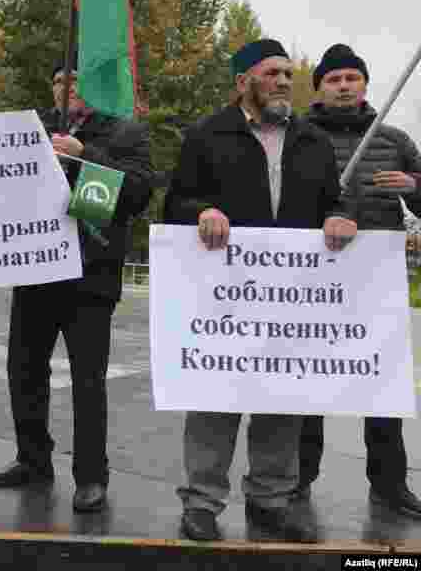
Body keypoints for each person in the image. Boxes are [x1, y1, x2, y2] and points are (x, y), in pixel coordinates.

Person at [163, 38, 357, 543]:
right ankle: (202, 502)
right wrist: (202, 211)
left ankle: (271, 500)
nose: (284, 82)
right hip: (222, 300)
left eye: (288, 74)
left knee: (281, 399)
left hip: (289, 300)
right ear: (242, 81)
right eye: (272, 73)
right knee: (215, 399)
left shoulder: (312, 140)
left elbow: (334, 202)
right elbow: (176, 202)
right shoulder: (207, 135)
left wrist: (340, 217)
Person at [0, 63, 153, 513]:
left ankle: (91, 476)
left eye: (75, 80)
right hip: (37, 271)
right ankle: (33, 459)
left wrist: (84, 156)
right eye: (59, 80)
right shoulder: (32, 129)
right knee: (24, 372)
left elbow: (137, 194)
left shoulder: (124, 132)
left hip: (90, 276)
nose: (66, 87)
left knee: (87, 381)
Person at [297, 43, 421, 517]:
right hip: (311, 281)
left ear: (365, 85)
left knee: (381, 382)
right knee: (306, 382)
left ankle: (389, 483)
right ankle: (298, 479)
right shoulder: (297, 137)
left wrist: (415, 187)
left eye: (352, 78)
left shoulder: (394, 140)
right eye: (334, 79)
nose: (344, 86)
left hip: (375, 280)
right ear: (319, 88)